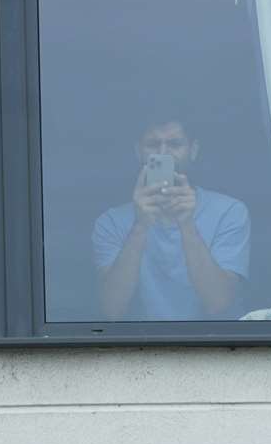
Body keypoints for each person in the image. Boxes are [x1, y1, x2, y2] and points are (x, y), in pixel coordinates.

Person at [92, 116, 251, 320]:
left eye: (174, 144)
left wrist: (186, 223)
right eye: (153, 144)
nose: (163, 153)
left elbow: (218, 304)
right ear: (138, 151)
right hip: (142, 342)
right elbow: (111, 310)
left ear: (193, 150)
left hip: (215, 343)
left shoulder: (229, 211)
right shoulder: (111, 222)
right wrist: (141, 225)